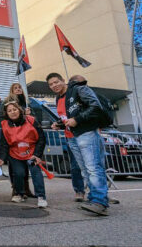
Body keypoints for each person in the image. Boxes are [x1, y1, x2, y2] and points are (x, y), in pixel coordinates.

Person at [47, 72, 109, 216]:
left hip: (86, 133)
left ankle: (100, 202)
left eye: (56, 82)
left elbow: (95, 107)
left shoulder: (78, 89)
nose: (54, 86)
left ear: (63, 80)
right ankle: (97, 197)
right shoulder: (58, 98)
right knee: (85, 170)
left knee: (93, 168)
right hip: (72, 137)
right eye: (51, 84)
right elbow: (68, 118)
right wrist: (59, 125)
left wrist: (78, 119)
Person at [0, 102, 48, 208]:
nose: (13, 112)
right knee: (19, 173)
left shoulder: (31, 120)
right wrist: (2, 158)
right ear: (6, 113)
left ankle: (41, 197)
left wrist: (37, 155)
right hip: (15, 154)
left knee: (35, 172)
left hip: (32, 153)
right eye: (9, 111)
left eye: (14, 109)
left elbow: (41, 138)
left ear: (20, 110)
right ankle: (19, 193)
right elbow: (4, 143)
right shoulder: (4, 125)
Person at [3, 83, 35, 199]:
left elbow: (33, 120)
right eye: (15, 88)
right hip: (13, 138)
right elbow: (5, 116)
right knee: (14, 168)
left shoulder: (26, 103)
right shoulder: (8, 101)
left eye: (19, 88)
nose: (18, 90)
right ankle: (16, 189)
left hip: (25, 140)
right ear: (11, 91)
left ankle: (26, 189)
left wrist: (27, 114)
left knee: (25, 167)